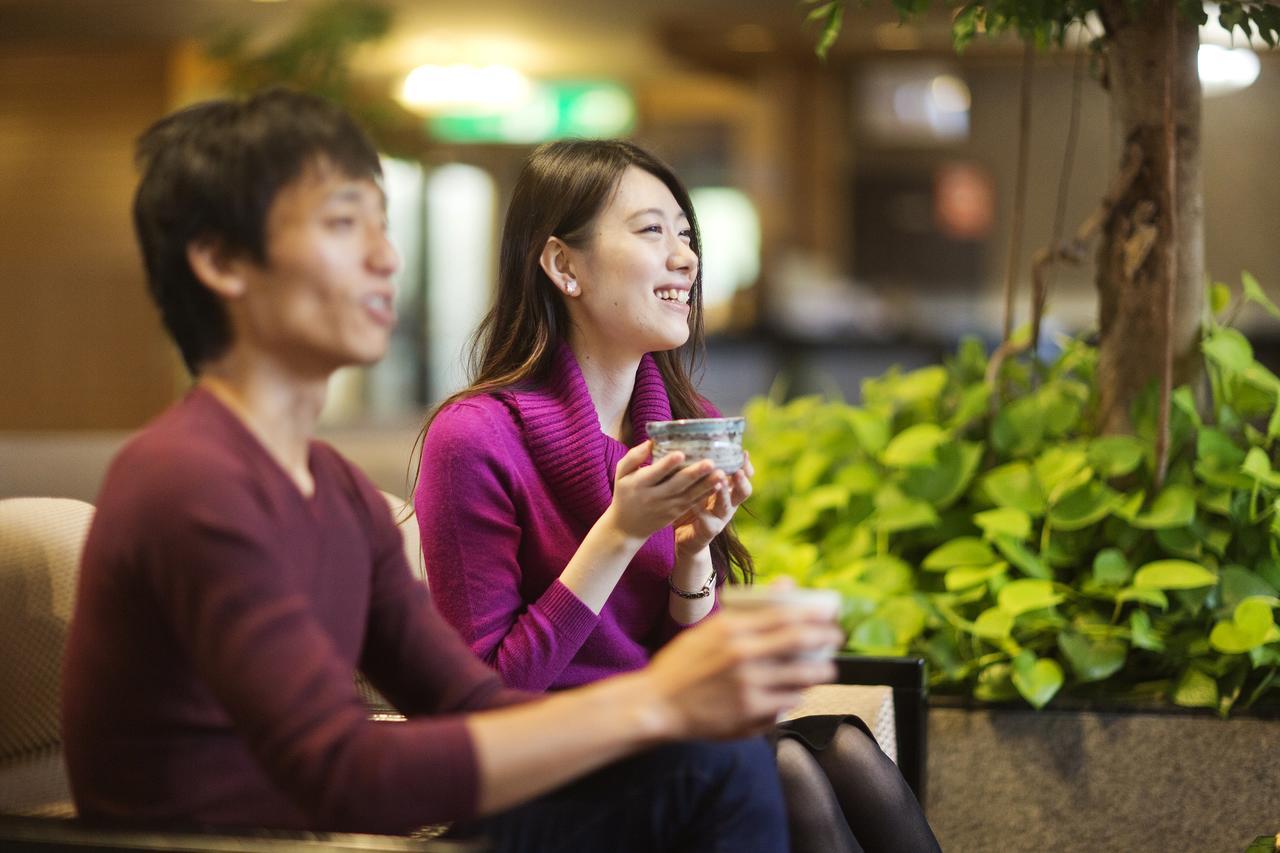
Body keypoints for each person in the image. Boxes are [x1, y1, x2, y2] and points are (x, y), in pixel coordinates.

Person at [59, 88, 843, 852]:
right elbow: (341, 771)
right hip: (247, 843)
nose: (387, 256)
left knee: (754, 758)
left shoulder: (332, 488)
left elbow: (477, 705)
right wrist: (660, 701)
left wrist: (694, 673)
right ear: (222, 261)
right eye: (343, 224)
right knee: (723, 767)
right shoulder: (188, 477)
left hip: (332, 836)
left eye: (382, 224)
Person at [414, 139, 941, 853]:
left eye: (686, 235)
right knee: (780, 766)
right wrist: (618, 534)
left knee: (845, 748)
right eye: (651, 230)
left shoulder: (674, 428)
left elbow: (685, 677)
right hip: (536, 782)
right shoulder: (475, 438)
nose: (686, 258)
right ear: (563, 265)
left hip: (663, 750)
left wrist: (694, 558)